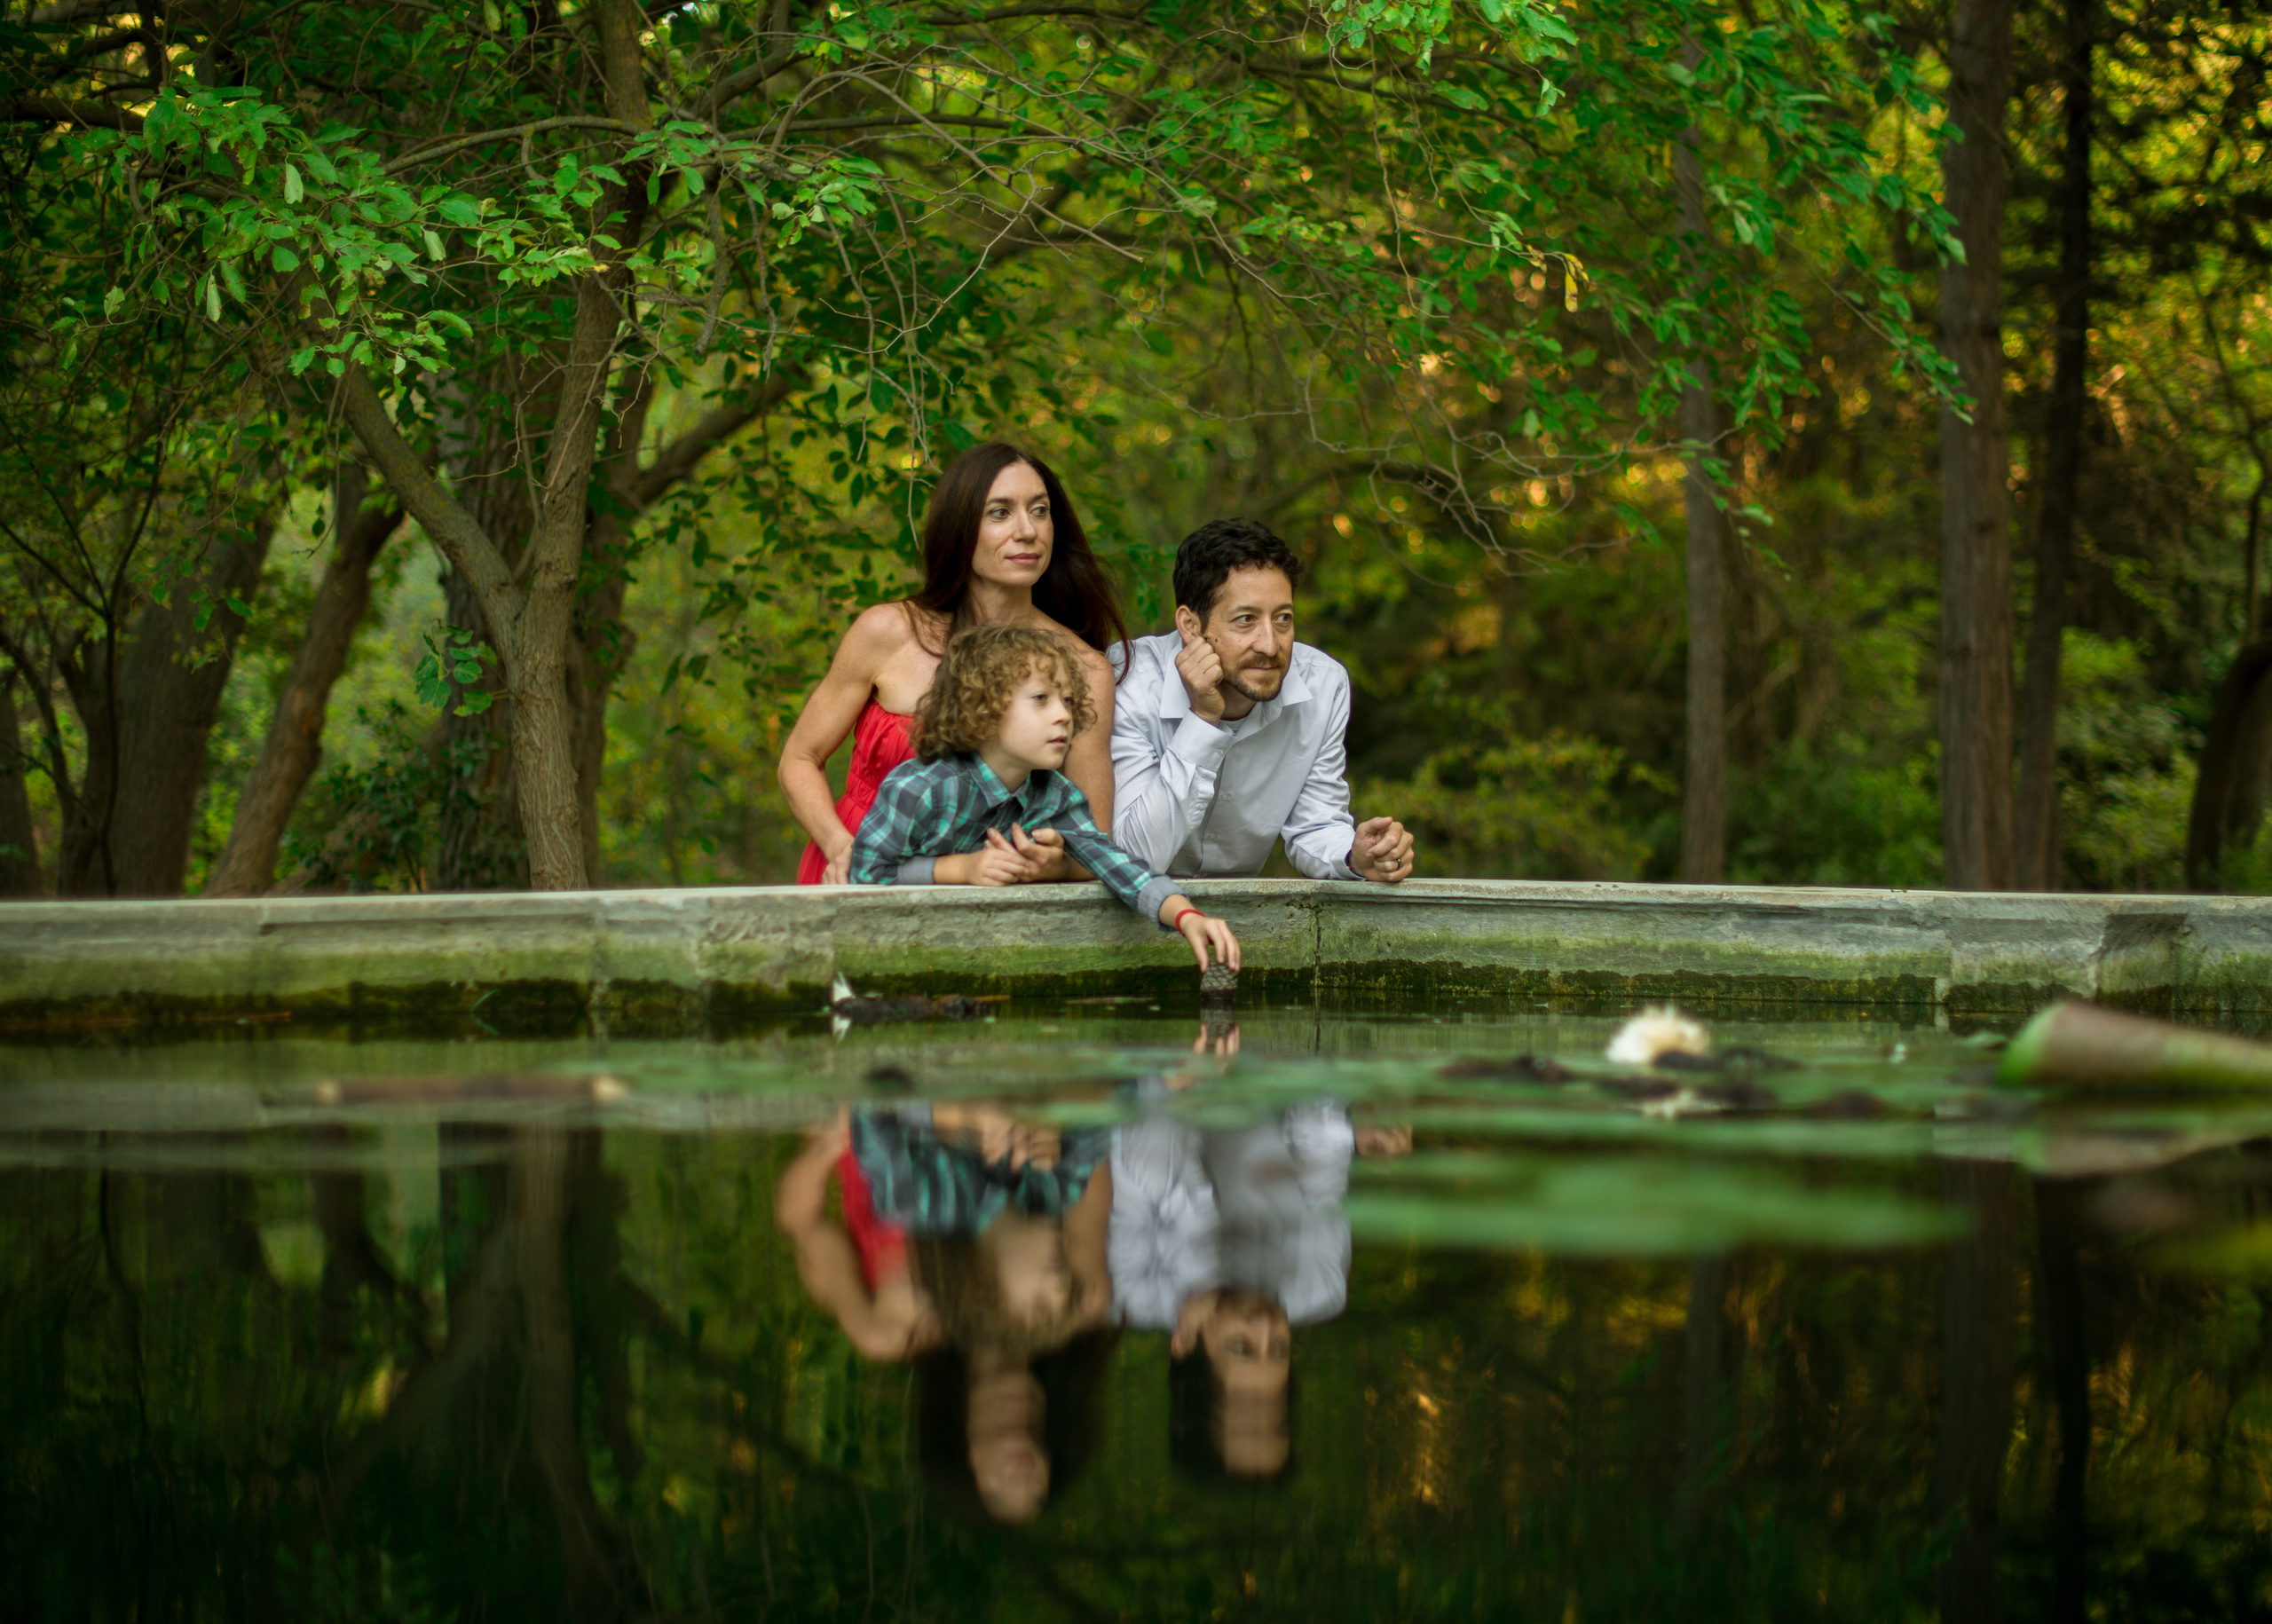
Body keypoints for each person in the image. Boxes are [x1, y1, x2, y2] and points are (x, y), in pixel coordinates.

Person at [778, 441, 1130, 884]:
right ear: (961, 528)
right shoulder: (888, 631)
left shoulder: (1082, 668)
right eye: (1000, 512)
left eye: (1039, 511)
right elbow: (799, 757)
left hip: (983, 900)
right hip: (854, 877)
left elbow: (1094, 840)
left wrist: (1052, 864)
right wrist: (840, 845)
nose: (1027, 530)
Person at [848, 623, 1242, 975]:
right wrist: (959, 869)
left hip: (986, 969)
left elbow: (1117, 865)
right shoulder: (919, 789)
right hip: (889, 969)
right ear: (981, 708)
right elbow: (864, 876)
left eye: (1068, 701)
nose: (1063, 716)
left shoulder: (1056, 797)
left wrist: (1185, 915)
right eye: (1041, 699)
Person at [1110, 516, 1416, 883]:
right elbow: (1131, 858)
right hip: (1133, 917)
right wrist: (1202, 720)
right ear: (1191, 626)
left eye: (1283, 618)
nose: (1271, 645)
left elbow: (1315, 825)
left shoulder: (1323, 686)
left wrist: (1355, 857)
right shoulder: (1129, 679)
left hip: (1250, 921)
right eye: (1245, 620)